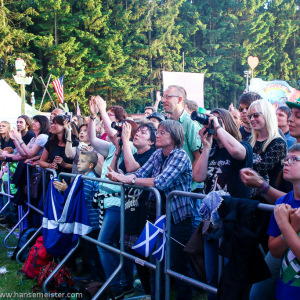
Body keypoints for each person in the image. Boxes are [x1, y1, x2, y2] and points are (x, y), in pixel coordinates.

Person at [106, 119, 193, 300]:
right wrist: (120, 177)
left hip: (177, 219)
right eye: (158, 131)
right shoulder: (157, 154)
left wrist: (127, 180)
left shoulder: (180, 155)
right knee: (155, 265)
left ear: (175, 136)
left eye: (162, 132)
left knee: (178, 267)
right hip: (155, 217)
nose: (158, 135)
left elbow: (160, 182)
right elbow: (140, 174)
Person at [192, 108, 253, 300]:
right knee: (212, 277)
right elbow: (198, 176)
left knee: (230, 276)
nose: (211, 124)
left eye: (216, 120)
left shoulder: (243, 146)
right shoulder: (211, 150)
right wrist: (207, 146)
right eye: (210, 121)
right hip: (212, 221)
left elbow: (237, 152)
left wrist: (217, 128)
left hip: (233, 221)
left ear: (225, 123)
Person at [88, 96, 137, 299]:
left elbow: (110, 132)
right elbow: (91, 140)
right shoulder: (111, 148)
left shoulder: (129, 148)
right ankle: (126, 284)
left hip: (118, 204)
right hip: (109, 203)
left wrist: (101, 108)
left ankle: (116, 287)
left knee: (104, 243)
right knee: (116, 245)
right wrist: (92, 117)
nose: (113, 128)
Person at [53, 151, 104, 282]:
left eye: (82, 161)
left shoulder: (88, 179)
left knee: (92, 253)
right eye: (78, 160)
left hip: (92, 224)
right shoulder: (82, 177)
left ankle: (97, 280)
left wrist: (66, 189)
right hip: (86, 222)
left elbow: (83, 199)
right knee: (87, 251)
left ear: (91, 165)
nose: (78, 163)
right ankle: (93, 277)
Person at [268, 143, 300, 300]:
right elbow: (274, 251)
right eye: (286, 159)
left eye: (294, 159)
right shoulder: (283, 201)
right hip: (286, 288)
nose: (286, 163)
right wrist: (292, 227)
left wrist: (285, 226)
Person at [248, 99, 287, 201]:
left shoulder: (278, 143)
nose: (252, 119)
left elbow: (258, 171)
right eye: (250, 116)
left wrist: (248, 163)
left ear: (267, 115)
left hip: (268, 202)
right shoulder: (249, 142)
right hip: (248, 200)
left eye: (256, 115)